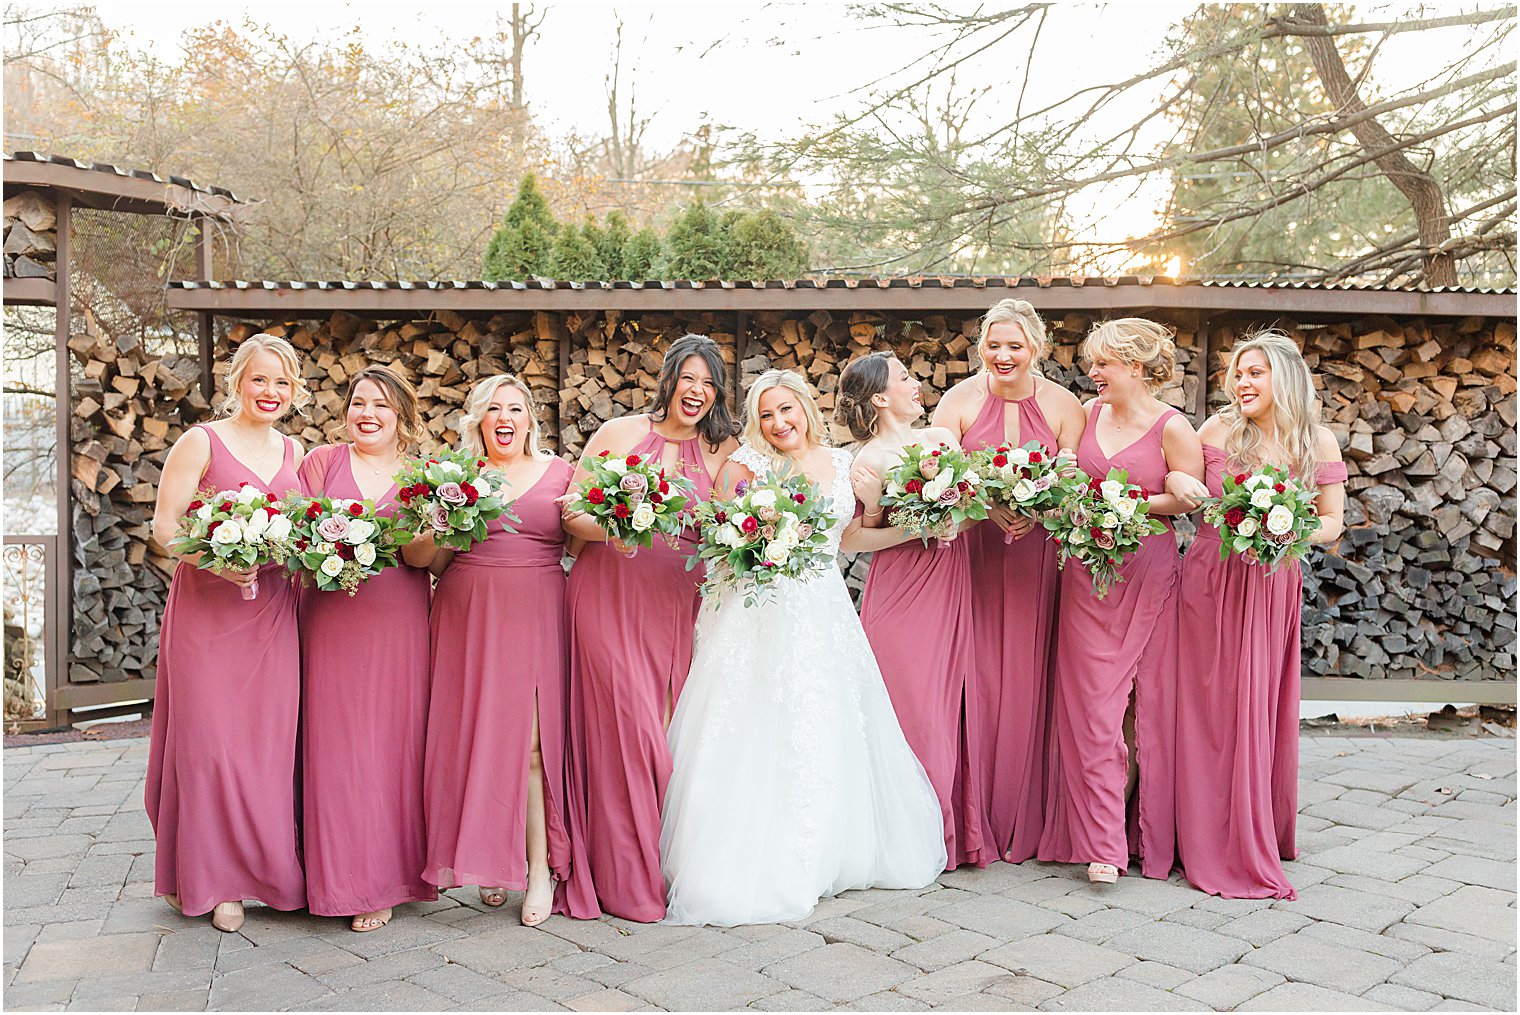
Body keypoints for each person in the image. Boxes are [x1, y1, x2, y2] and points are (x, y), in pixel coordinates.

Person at [661, 369, 946, 926]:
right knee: (758, 721)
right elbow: (719, 543)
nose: (778, 423)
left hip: (824, 607)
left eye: (786, 409)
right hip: (758, 611)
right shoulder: (746, 466)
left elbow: (851, 538)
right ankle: (751, 851)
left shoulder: (846, 463)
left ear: (806, 409)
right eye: (766, 414)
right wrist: (756, 544)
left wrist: (910, 531)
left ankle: (830, 850)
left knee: (827, 720)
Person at [560, 335, 740, 922]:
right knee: (627, 733)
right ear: (667, 380)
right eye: (688, 378)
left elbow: (732, 526)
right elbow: (570, 512)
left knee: (665, 741)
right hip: (607, 595)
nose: (697, 391)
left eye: (709, 383)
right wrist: (610, 529)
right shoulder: (616, 434)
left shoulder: (723, 450)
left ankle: (656, 865)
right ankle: (624, 881)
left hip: (677, 604)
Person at [1164, 331, 1346, 899]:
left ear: (1284, 378)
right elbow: (1173, 476)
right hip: (1208, 578)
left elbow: (1332, 524)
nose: (1242, 383)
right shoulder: (1215, 431)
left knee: (1254, 701)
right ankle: (1192, 829)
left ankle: (1249, 826)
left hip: (1270, 583)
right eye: (1238, 374)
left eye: (1255, 373)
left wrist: (1281, 526)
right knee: (1203, 701)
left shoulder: (1318, 442)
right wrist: (1176, 480)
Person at [146, 333, 309, 933]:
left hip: (272, 612)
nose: (270, 392)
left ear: (294, 391)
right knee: (211, 745)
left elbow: (301, 525)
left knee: (266, 746)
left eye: (282, 382)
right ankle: (215, 881)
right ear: (238, 382)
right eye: (260, 379)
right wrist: (214, 558)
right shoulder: (201, 441)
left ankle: (263, 870)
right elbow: (165, 527)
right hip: (209, 614)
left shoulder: (294, 450)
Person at [415, 375, 593, 925]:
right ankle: (491, 862)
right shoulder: (454, 478)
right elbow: (427, 562)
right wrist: (441, 523)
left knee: (535, 746)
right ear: (478, 420)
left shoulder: (562, 473)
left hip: (538, 610)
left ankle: (537, 869)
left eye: (514, 408)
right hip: (467, 612)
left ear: (530, 419)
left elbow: (581, 544)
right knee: (477, 738)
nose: (504, 417)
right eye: (493, 409)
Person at [1037, 318, 1203, 884]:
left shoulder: (1173, 427)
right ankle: (1100, 841)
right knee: (1091, 706)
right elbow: (1065, 481)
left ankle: (1132, 831)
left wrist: (1128, 504)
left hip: (1146, 572)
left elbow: (1187, 500)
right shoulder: (1085, 415)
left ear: (1134, 367)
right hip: (1085, 571)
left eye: (1103, 363)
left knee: (1138, 708)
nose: (1093, 373)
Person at [933, 299, 1085, 863]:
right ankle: (973, 814)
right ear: (981, 348)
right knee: (978, 675)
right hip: (975, 552)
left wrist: (1043, 509)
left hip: (1039, 557)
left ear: (1036, 349)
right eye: (993, 345)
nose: (1003, 356)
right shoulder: (958, 401)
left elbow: (1077, 478)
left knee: (1033, 672)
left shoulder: (1065, 405)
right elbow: (937, 476)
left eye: (1014, 346)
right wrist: (984, 506)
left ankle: (1031, 815)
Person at [297, 365, 436, 932]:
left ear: (401, 415)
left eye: (381, 404)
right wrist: (330, 547)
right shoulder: (320, 464)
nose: (368, 413)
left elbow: (423, 563)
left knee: (391, 748)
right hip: (332, 622)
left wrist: (431, 531)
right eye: (359, 403)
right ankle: (338, 878)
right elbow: (296, 540)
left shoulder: (423, 475)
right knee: (335, 748)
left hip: (399, 622)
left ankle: (385, 878)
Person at [838, 351, 989, 870]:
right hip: (897, 589)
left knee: (945, 706)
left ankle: (943, 834)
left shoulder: (942, 442)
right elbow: (854, 537)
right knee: (904, 707)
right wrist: (905, 521)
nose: (915, 383)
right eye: (905, 377)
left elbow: (973, 509)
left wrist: (953, 523)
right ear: (880, 396)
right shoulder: (866, 461)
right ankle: (901, 838)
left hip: (947, 581)